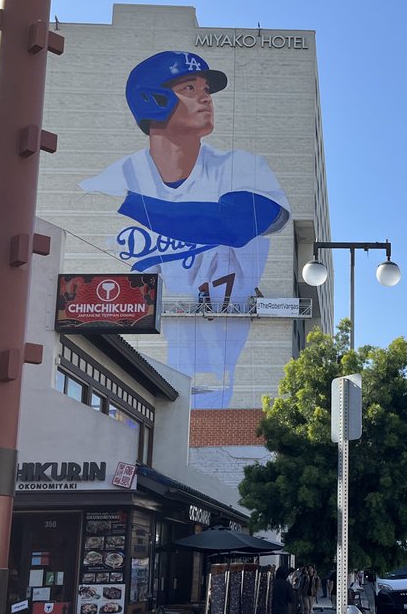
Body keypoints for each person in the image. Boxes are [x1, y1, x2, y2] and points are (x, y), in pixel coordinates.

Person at [79, 51, 291, 409]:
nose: (206, 97)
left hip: (224, 394)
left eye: (206, 88)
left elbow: (235, 225)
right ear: (152, 99)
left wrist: (127, 203)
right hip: (127, 390)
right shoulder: (109, 181)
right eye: (190, 87)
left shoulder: (240, 167)